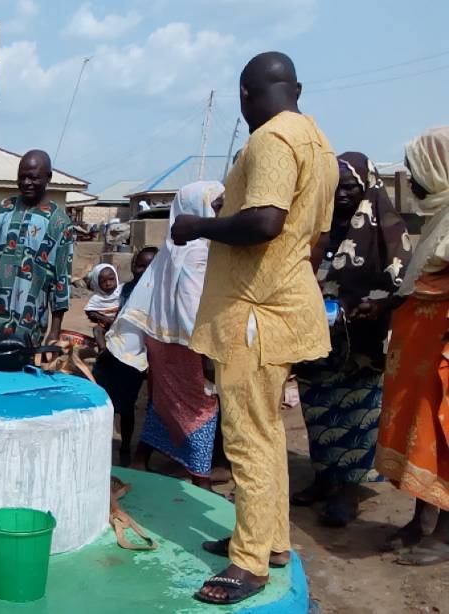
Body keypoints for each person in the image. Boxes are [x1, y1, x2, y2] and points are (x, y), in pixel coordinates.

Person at [172, 52, 337, 605]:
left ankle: (248, 564)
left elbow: (266, 222)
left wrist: (198, 225)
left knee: (246, 438)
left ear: (244, 96)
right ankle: (270, 542)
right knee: (268, 433)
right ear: (297, 88)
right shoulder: (318, 143)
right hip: (283, 305)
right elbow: (308, 233)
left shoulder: (270, 139)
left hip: (252, 314)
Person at [292, 152, 411, 527]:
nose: (341, 194)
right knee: (318, 408)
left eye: (349, 187)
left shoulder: (386, 227)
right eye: (335, 187)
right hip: (318, 335)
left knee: (357, 415)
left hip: (362, 340)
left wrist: (373, 304)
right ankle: (324, 478)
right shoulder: (320, 224)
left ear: (367, 185)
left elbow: (402, 279)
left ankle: (348, 490)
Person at [109, 181, 225, 490]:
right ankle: (201, 477)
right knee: (202, 409)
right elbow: (190, 307)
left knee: (163, 403)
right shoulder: (198, 250)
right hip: (188, 344)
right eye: (216, 205)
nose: (222, 212)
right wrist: (208, 352)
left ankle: (141, 459)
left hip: (160, 340)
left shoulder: (173, 248)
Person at [375, 126, 449, 566]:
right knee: (419, 434)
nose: (412, 181)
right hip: (419, 351)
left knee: (442, 433)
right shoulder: (440, 217)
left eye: (416, 170)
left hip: (442, 352)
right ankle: (423, 519)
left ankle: (445, 535)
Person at [0, 150, 74, 361]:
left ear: (48, 178)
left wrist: (54, 332)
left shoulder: (60, 223)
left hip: (28, 315)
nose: (26, 182)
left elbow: (61, 282)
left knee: (12, 367)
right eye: (22, 177)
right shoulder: (0, 210)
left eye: (33, 177)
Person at [91, 248, 158, 466]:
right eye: (140, 266)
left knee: (127, 407)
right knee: (105, 402)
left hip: (135, 359)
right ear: (132, 267)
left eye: (150, 266)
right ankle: (101, 446)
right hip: (112, 352)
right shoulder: (125, 290)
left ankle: (126, 447)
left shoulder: (160, 293)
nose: (144, 271)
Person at [84, 263, 122, 353]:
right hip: (106, 326)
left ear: (116, 277)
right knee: (97, 330)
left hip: (123, 324)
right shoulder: (97, 298)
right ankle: (102, 351)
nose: (108, 283)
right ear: (97, 283)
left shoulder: (123, 292)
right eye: (103, 281)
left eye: (111, 279)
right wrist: (105, 319)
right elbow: (89, 311)